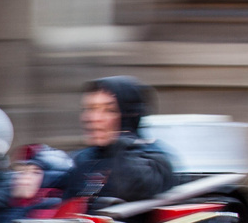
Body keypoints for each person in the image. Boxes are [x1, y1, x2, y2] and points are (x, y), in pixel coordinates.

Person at [56, 76, 177, 209]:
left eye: (109, 110)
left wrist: (122, 140)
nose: (92, 118)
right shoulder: (82, 159)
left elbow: (133, 189)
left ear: (128, 115)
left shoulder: (154, 160)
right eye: (89, 109)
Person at [0, 144, 71, 223]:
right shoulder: (2, 201)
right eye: (20, 171)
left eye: (35, 172)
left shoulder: (52, 207)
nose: (26, 177)